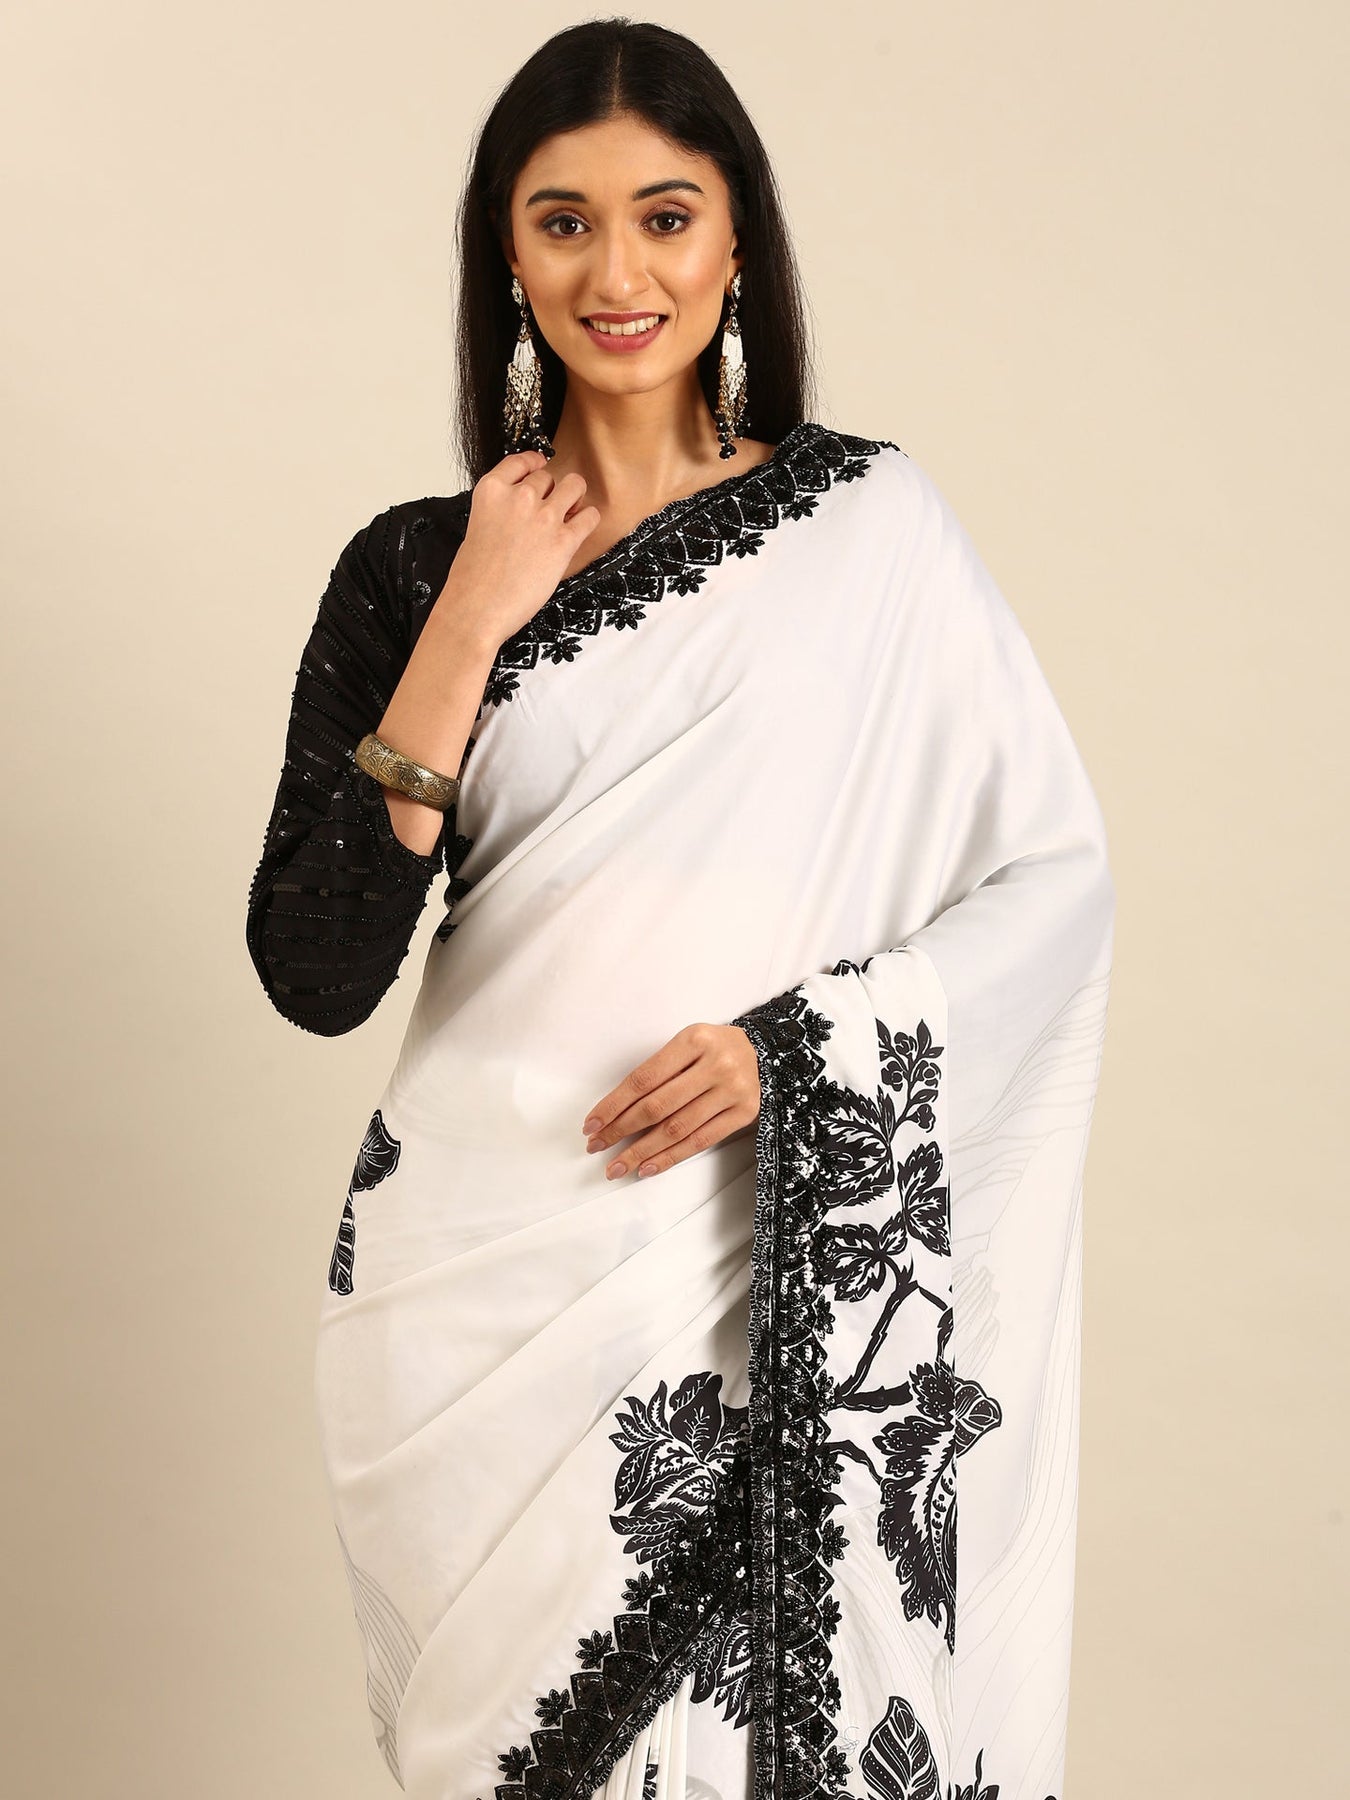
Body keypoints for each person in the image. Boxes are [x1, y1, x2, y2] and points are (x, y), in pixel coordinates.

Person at [244, 20, 1115, 1800]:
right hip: (478, 1285)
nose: (616, 274)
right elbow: (315, 968)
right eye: (561, 223)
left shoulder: (871, 530)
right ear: (506, 254)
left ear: (734, 246)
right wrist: (471, 615)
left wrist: (802, 1051)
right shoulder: (411, 567)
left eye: (663, 217)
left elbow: (1051, 879)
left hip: (744, 1241)